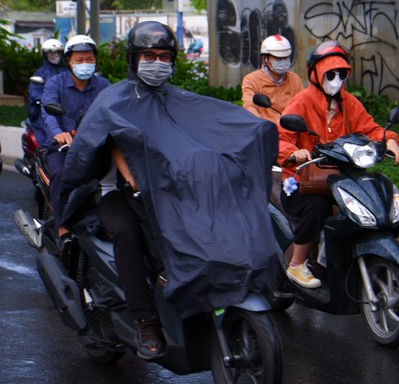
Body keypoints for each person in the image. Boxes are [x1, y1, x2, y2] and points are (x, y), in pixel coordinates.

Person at [60, 21, 279, 361]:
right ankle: (145, 320)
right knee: (128, 233)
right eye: (149, 55)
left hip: (167, 191)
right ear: (135, 59)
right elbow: (93, 151)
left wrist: (257, 133)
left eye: (164, 56)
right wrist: (129, 171)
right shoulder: (111, 101)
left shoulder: (179, 100)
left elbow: (214, 127)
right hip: (117, 195)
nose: (157, 62)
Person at [277, 40, 399, 288]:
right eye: (330, 73)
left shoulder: (348, 103)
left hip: (341, 180)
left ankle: (339, 260)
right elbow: (280, 137)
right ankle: (297, 265)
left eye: (341, 74)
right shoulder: (301, 103)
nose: (336, 79)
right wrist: (295, 152)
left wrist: (390, 141)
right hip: (302, 182)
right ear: (315, 74)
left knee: (372, 202)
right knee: (317, 207)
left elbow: (371, 128)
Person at [41, 35, 109, 243]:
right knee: (62, 175)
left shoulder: (103, 85)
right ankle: (63, 226)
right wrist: (58, 133)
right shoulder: (55, 83)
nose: (85, 64)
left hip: (95, 147)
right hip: (62, 147)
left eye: (89, 59)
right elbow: (48, 112)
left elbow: (113, 112)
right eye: (79, 60)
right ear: (69, 61)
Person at [241, 34, 303, 123]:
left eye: (286, 57)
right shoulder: (252, 80)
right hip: (264, 130)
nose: (283, 61)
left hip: (290, 130)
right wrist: (260, 125)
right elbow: (249, 106)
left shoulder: (294, 79)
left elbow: (302, 105)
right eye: (278, 58)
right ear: (265, 58)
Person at [28, 38, 68, 146]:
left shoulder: (68, 71)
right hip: (47, 109)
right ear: (45, 55)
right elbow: (34, 91)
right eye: (50, 52)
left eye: (57, 52)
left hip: (67, 109)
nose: (54, 55)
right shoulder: (40, 73)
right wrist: (45, 100)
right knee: (47, 137)